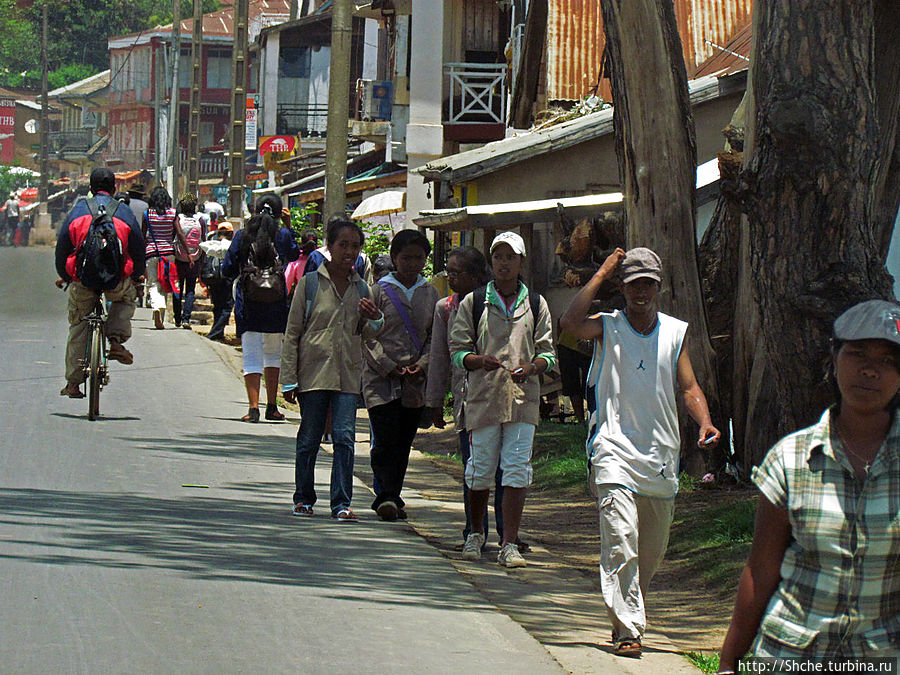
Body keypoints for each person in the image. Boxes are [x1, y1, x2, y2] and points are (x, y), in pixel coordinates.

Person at [716, 300, 900, 670]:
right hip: (790, 657)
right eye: (858, 354)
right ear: (834, 360)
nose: (869, 370)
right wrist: (728, 663)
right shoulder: (791, 458)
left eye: (888, 361)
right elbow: (761, 568)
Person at [559, 246, 720, 658]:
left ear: (658, 287)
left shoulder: (673, 332)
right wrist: (600, 274)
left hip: (660, 456)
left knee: (648, 552)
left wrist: (704, 422)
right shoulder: (608, 326)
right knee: (620, 537)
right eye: (633, 285)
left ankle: (631, 607)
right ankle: (627, 628)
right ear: (623, 288)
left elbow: (689, 388)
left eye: (647, 284)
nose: (640, 292)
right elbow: (570, 324)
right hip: (612, 449)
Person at [449, 231, 556, 568]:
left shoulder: (536, 303)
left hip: (523, 399)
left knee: (516, 470)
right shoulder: (474, 301)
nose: (504, 263)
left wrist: (533, 367)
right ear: (491, 261)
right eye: (498, 256)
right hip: (483, 397)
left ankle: (509, 542)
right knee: (480, 469)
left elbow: (548, 353)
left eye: (510, 257)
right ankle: (475, 534)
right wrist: (478, 361)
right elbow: (457, 351)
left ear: (521, 261)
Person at [281, 216, 383, 521]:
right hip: (312, 374)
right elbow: (292, 333)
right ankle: (303, 498)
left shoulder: (362, 287)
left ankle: (341, 502)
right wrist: (288, 380)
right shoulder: (310, 284)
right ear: (330, 246)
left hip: (348, 376)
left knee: (344, 439)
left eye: (355, 246)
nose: (349, 251)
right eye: (343, 245)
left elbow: (369, 332)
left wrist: (375, 317)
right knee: (309, 437)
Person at [425, 246, 508, 549]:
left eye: (457, 273)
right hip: (465, 402)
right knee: (474, 468)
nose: (450, 277)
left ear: (476, 276)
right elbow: (439, 357)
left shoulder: (497, 305)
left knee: (505, 469)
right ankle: (474, 532)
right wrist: (435, 401)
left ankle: (507, 532)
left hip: (501, 398)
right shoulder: (445, 308)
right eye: (449, 271)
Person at [364, 228, 439, 521]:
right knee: (383, 439)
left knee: (404, 440)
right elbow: (367, 335)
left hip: (413, 381)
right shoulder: (378, 291)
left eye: (418, 258)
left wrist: (423, 364)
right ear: (395, 258)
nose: (411, 263)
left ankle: (393, 493)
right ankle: (385, 494)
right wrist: (387, 365)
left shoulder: (431, 293)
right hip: (380, 379)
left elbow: (436, 336)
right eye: (406, 258)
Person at [54, 167, 146, 398]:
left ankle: (73, 384)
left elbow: (62, 248)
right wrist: (137, 275)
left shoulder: (78, 210)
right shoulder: (123, 212)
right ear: (115, 189)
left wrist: (64, 276)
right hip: (116, 278)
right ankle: (115, 341)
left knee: (79, 325)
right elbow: (138, 249)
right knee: (125, 298)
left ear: (90, 189)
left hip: (82, 279)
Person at [221, 194, 299, 423]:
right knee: (273, 355)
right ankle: (272, 407)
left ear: (254, 210)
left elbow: (227, 268)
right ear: (278, 213)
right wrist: (289, 226)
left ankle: (253, 408)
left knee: (252, 355)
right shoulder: (282, 235)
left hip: (249, 303)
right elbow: (294, 254)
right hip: (276, 302)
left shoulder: (242, 235)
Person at [143, 186, 191, 329]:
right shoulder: (172, 213)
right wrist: (188, 253)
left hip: (151, 253)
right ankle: (160, 316)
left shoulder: (147, 214)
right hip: (169, 254)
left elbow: (142, 235)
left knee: (153, 283)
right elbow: (180, 234)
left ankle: (157, 308)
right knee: (165, 283)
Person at [172, 193, 204, 329]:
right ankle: (186, 319)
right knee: (190, 289)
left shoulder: (178, 219)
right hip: (195, 258)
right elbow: (204, 241)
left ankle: (177, 318)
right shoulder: (200, 220)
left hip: (179, 258)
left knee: (177, 288)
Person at [199, 221, 235, 342]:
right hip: (227, 279)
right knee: (227, 307)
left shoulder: (211, 245)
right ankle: (215, 333)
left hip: (213, 280)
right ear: (231, 234)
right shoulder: (232, 245)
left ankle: (218, 333)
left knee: (218, 306)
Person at [284, 228, 319, 299]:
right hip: (319, 299)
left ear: (302, 243)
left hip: (300, 299)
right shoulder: (323, 258)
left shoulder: (295, 261)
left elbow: (286, 283)